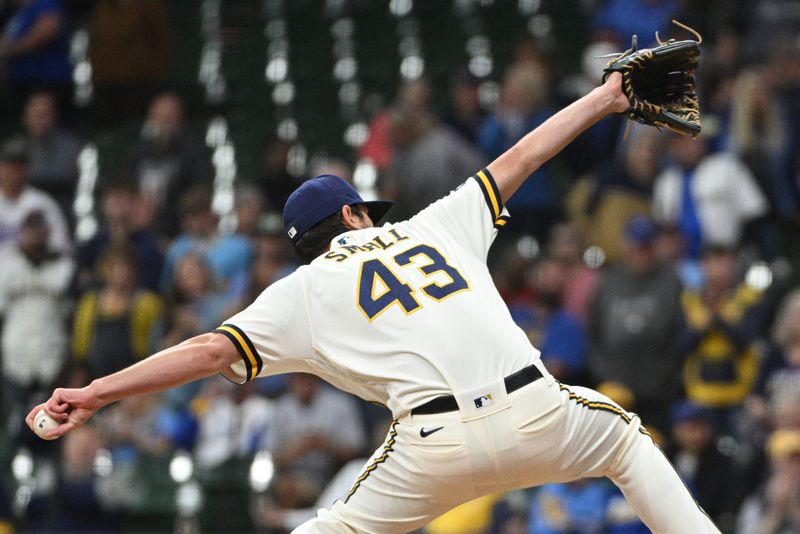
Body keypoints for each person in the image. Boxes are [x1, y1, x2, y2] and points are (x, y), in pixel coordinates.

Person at [27, 73, 721, 533]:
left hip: (432, 448)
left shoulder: (298, 290)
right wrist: (607, 98)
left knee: (333, 528)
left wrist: (96, 392)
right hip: (538, 413)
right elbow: (524, 156)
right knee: (627, 442)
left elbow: (210, 351)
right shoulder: (431, 225)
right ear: (357, 217)